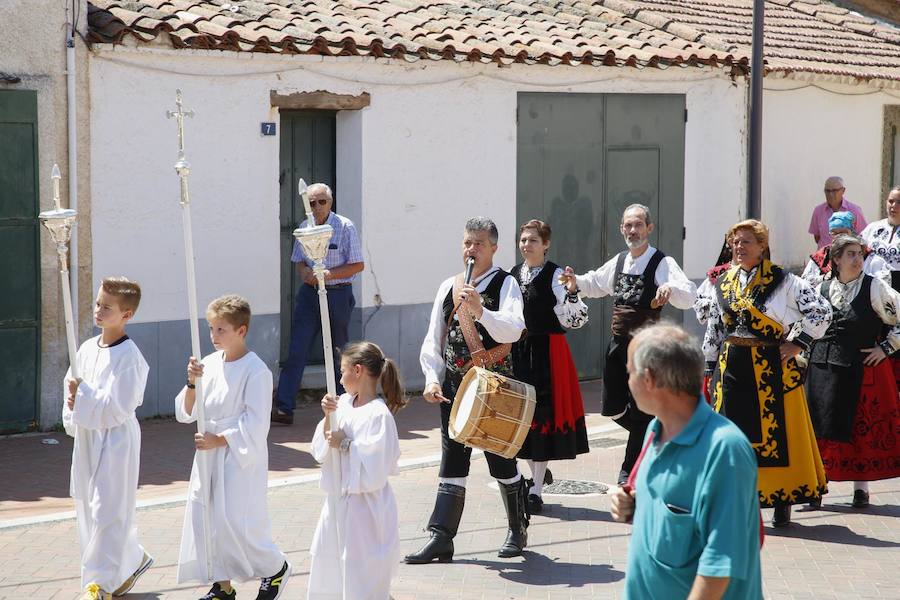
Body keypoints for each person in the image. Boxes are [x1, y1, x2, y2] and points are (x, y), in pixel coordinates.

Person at [407, 217, 529, 563]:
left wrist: (481, 312)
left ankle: (517, 529)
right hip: (455, 388)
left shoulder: (507, 285)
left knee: (501, 459)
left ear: (493, 247)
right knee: (452, 459)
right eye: (466, 243)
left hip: (494, 387)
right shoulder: (450, 285)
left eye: (477, 243)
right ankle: (441, 536)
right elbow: (434, 338)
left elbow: (513, 330)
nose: (470, 250)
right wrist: (432, 378)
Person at [610, 323, 762, 600]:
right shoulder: (654, 430)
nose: (627, 382)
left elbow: (719, 565)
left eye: (629, 372)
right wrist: (633, 505)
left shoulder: (725, 450)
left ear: (649, 379)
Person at [697, 220, 831, 527]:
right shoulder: (724, 281)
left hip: (771, 367)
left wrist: (798, 343)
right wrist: (710, 363)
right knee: (732, 434)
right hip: (732, 366)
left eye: (746, 242)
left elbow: (821, 310)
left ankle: (781, 499)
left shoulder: (783, 281)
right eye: (735, 242)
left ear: (761, 246)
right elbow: (716, 325)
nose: (739, 247)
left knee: (777, 434)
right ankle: (738, 499)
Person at [559, 204, 697, 485]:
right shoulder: (620, 261)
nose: (632, 230)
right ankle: (658, 434)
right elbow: (596, 284)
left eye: (638, 225)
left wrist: (670, 290)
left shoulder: (661, 262)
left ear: (649, 228)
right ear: (622, 229)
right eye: (628, 225)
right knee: (612, 408)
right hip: (618, 345)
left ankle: (629, 472)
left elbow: (689, 295)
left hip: (647, 352)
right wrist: (575, 283)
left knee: (641, 409)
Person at [176, 295, 291, 600]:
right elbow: (187, 412)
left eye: (221, 329)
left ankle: (275, 567)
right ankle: (223, 586)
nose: (214, 336)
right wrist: (191, 382)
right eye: (211, 329)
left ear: (241, 330)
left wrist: (220, 439)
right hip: (208, 455)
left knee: (237, 522)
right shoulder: (208, 365)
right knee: (207, 519)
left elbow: (255, 423)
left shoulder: (257, 371)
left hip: (239, 457)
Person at [63, 277, 154, 600]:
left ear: (126, 314)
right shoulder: (87, 349)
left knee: (108, 508)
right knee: (89, 506)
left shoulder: (130, 357)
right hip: (89, 437)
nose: (98, 310)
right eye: (98, 303)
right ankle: (131, 558)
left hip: (116, 441)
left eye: (107, 307)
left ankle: (98, 583)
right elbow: (71, 389)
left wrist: (82, 395)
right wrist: (73, 405)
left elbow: (118, 407)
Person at [805, 234, 900, 509]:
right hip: (823, 367)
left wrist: (886, 348)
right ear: (835, 260)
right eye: (851, 255)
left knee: (860, 431)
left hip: (861, 368)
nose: (858, 260)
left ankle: (861, 489)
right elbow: (806, 325)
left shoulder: (874, 288)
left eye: (860, 254)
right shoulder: (820, 289)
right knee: (820, 427)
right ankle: (817, 484)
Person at [308, 342, 405, 599]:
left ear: (358, 370)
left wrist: (346, 444)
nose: (340, 379)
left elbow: (377, 466)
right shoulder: (343, 405)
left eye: (343, 371)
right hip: (337, 501)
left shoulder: (378, 415)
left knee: (361, 570)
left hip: (365, 507)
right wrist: (328, 415)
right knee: (331, 564)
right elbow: (321, 449)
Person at [511, 219, 589, 513]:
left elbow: (577, 320)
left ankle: (537, 490)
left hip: (547, 350)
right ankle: (535, 475)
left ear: (546, 244)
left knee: (541, 416)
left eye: (532, 240)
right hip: (518, 350)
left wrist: (571, 292)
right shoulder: (512, 275)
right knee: (520, 418)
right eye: (523, 240)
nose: (526, 245)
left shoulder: (556, 275)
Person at [273, 183, 364, 425]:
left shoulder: (345, 227)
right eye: (311, 203)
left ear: (330, 202)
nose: (316, 207)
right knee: (297, 349)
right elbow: (299, 261)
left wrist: (328, 275)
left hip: (338, 294)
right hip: (310, 295)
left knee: (340, 352)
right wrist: (304, 273)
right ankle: (284, 407)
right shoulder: (304, 227)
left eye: (321, 202)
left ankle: (346, 404)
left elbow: (357, 264)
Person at [801, 211, 889, 288]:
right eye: (834, 233)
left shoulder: (868, 256)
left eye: (843, 232)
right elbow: (804, 284)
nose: (839, 236)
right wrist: (824, 278)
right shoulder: (821, 256)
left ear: (852, 232)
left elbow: (883, 282)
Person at [808, 176, 867, 249]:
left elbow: (863, 236)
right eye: (827, 191)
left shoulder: (854, 211)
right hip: (824, 257)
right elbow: (817, 237)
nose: (830, 194)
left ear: (843, 190)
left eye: (834, 190)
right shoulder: (818, 211)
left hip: (846, 258)